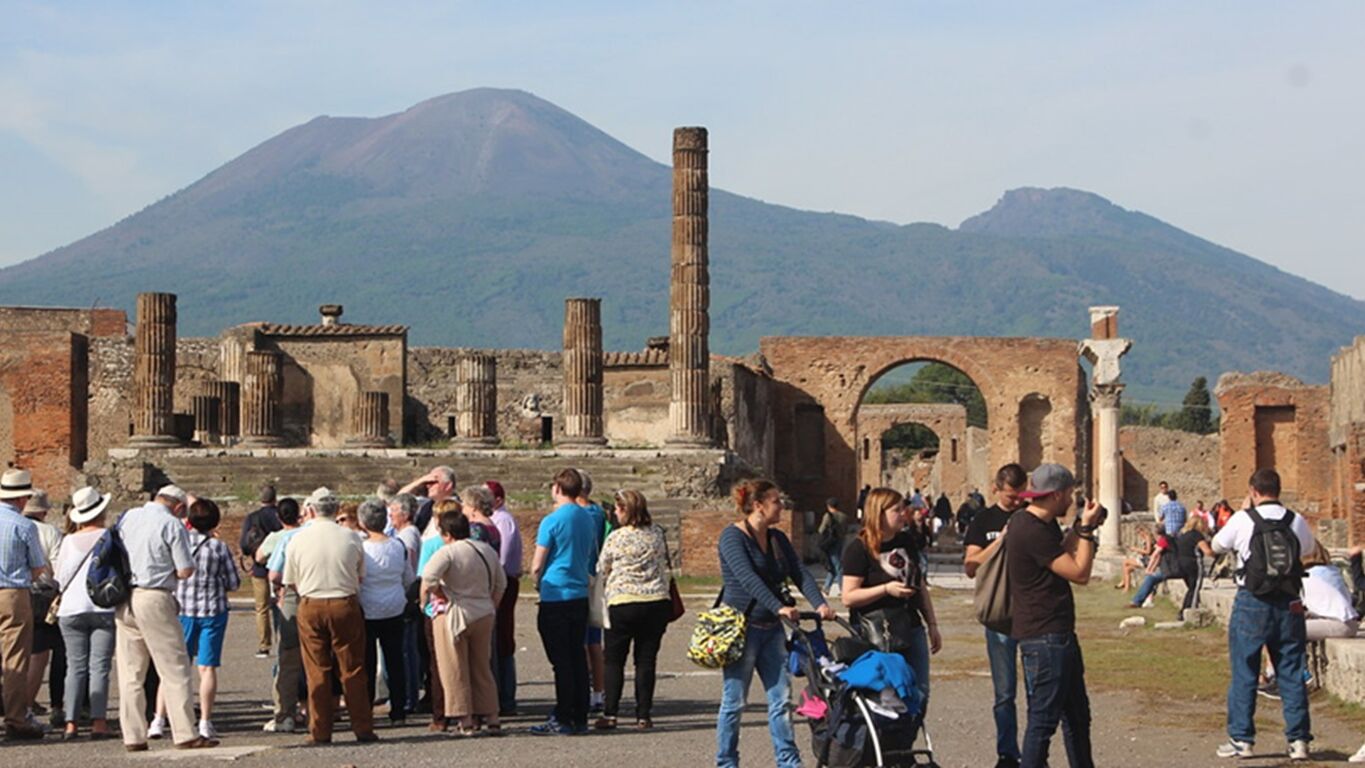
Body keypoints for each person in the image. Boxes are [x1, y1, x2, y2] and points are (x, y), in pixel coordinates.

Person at [715, 478, 834, 768]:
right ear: (758, 506)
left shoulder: (777, 539)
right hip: (742, 628)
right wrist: (778, 606)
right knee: (734, 702)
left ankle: (788, 762)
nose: (781, 506)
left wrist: (819, 603)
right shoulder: (732, 538)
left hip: (772, 631)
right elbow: (747, 578)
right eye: (776, 501)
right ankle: (726, 762)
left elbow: (800, 573)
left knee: (781, 700)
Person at [1211, 469, 1315, 761]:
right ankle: (1298, 742)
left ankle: (1242, 739)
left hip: (1252, 601)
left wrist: (1244, 513)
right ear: (1278, 490)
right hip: (1289, 602)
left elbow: (1217, 545)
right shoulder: (1296, 520)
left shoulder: (1243, 519)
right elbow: (1306, 549)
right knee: (1291, 672)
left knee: (1245, 671)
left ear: (1253, 491)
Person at [1007, 464, 1102, 768]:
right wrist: (1085, 531)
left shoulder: (1038, 523)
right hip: (1044, 637)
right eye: (1071, 493)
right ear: (1058, 494)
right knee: (1043, 721)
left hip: (1057, 634)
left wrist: (1077, 529)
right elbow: (1079, 572)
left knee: (1077, 717)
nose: (1072, 500)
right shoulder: (1029, 529)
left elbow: (1059, 554)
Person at [115, 484, 217, 750]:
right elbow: (185, 570)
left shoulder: (128, 516)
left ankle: (133, 736)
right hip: (154, 595)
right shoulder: (172, 525)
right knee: (174, 667)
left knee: (131, 672)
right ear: (179, 507)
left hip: (124, 596)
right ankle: (185, 732)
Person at [282, 489, 377, 745]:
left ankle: (320, 730)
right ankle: (363, 727)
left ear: (311, 510)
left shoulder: (297, 540)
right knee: (353, 668)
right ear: (337, 510)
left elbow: (289, 580)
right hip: (344, 601)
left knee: (317, 670)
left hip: (311, 602)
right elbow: (360, 574)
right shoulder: (352, 537)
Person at [841, 488, 939, 717]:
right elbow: (848, 596)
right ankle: (887, 750)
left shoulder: (906, 541)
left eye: (903, 509)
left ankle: (906, 747)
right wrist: (886, 589)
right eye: (897, 510)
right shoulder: (859, 548)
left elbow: (920, 585)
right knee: (888, 695)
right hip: (877, 631)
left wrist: (932, 624)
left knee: (919, 692)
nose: (904, 514)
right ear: (879, 513)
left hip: (911, 626)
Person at [151, 498, 239, 741]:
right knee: (207, 668)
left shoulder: (180, 541)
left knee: (173, 667)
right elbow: (233, 582)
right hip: (212, 610)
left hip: (183, 610)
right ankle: (205, 721)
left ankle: (158, 719)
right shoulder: (218, 548)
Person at [962, 463, 1029, 768]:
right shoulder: (983, 520)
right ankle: (1007, 753)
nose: (1016, 502)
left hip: (1032, 615)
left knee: (1038, 691)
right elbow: (970, 565)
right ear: (996, 489)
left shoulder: (1033, 516)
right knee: (1005, 692)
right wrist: (1000, 541)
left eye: (1019, 496)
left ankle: (1034, 752)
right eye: (1010, 497)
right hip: (1000, 616)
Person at [421, 508, 506, 736]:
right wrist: (492, 604)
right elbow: (501, 583)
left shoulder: (447, 552)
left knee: (454, 667)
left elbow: (428, 578)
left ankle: (465, 720)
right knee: (482, 667)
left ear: (447, 533)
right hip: (483, 610)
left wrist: (438, 595)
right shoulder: (486, 550)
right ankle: (492, 716)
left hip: (456, 611)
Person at [596, 490, 672, 730]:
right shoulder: (658, 534)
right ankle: (643, 715)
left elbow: (603, 567)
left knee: (614, 661)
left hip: (623, 601)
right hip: (656, 600)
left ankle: (611, 713)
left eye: (618, 510)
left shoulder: (616, 537)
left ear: (624, 510)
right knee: (646, 660)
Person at [529, 469, 597, 735]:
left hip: (556, 593)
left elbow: (537, 563)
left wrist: (538, 582)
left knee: (561, 661)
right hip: (579, 593)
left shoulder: (552, 520)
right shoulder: (588, 518)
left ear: (558, 488)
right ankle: (580, 714)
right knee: (577, 656)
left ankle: (563, 715)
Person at [53, 487, 116, 740]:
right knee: (99, 666)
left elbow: (59, 577)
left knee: (75, 666)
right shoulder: (110, 537)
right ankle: (98, 722)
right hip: (102, 605)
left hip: (71, 607)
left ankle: (71, 722)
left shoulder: (68, 540)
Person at [0, 468, 50, 740]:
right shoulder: (23, 525)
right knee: (15, 658)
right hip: (13, 592)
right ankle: (16, 717)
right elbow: (37, 567)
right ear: (22, 499)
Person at [357, 498, 414, 724]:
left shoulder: (361, 548)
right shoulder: (398, 546)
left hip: (368, 607)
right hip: (393, 606)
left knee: (367, 661)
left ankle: (366, 707)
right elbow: (408, 578)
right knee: (395, 659)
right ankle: (398, 709)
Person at [259, 497, 304, 732]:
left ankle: (285, 712)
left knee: (288, 657)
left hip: (295, 596)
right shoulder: (343, 535)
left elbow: (273, 574)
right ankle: (324, 708)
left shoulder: (288, 538)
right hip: (328, 596)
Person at [22, 489, 63, 729]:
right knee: (39, 652)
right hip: (40, 594)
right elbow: (57, 568)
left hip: (7, 589)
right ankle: (26, 705)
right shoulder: (49, 532)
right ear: (44, 512)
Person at [486, 480, 522, 717]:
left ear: (498, 500)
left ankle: (505, 695)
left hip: (503, 583)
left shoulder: (503, 521)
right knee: (495, 638)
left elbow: (504, 557)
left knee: (502, 638)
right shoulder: (495, 520)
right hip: (499, 581)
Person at [386, 492, 423, 718]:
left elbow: (408, 567)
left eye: (394, 512)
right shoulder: (405, 533)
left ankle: (408, 698)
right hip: (406, 594)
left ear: (405, 514)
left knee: (406, 650)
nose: (390, 515)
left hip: (406, 595)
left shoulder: (407, 536)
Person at [574, 470, 608, 714]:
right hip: (595, 578)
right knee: (594, 642)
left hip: (581, 579)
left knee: (582, 642)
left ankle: (585, 691)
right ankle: (598, 692)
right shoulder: (597, 511)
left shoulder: (581, 515)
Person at [239, 485, 282, 658]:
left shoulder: (253, 517)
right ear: (275, 498)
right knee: (281, 604)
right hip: (279, 566)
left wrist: (251, 554)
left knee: (261, 608)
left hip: (259, 567)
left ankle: (264, 645)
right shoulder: (281, 515)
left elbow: (244, 544)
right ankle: (283, 641)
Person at [1301, 542, 1358, 640]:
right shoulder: (1331, 570)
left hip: (1340, 624)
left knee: (1287, 630)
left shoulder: (1308, 575)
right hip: (1349, 622)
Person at [400, 466, 458, 538]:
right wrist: (421, 480)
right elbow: (399, 499)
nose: (428, 486)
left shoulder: (457, 508)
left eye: (433, 482)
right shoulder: (425, 505)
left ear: (448, 485)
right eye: (427, 482)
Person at [1175, 514, 1215, 619]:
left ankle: (1183, 610)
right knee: (1196, 587)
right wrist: (1216, 553)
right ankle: (1190, 611)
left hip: (1181, 563)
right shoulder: (1196, 535)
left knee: (1191, 588)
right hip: (1193, 563)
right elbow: (1206, 551)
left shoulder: (1183, 535)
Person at [817, 497, 850, 595]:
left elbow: (821, 530)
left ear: (829, 506)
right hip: (840, 541)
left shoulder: (828, 516)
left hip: (830, 542)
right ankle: (826, 587)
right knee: (833, 565)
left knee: (837, 566)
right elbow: (846, 530)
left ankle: (842, 589)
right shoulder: (844, 516)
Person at [1115, 526, 1155, 592]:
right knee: (1127, 569)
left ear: (1143, 531)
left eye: (1139, 532)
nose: (1139, 535)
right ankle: (1126, 587)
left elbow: (1148, 551)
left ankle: (1124, 583)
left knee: (1125, 562)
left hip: (1147, 561)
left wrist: (1136, 549)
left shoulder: (1148, 538)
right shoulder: (1146, 538)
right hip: (1145, 559)